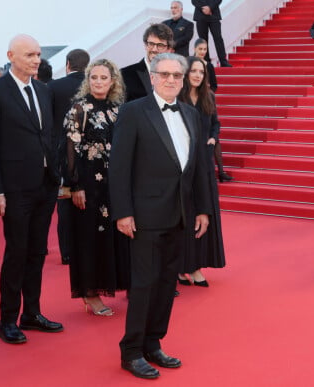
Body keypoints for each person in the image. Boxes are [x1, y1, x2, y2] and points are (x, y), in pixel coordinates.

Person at [109, 53, 210, 379]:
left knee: (167, 284)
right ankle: (132, 350)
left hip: (180, 214)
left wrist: (204, 208)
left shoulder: (191, 114)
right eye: (164, 74)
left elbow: (197, 168)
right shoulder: (133, 112)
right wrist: (123, 212)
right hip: (145, 216)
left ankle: (154, 343)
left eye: (176, 75)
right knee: (143, 285)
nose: (171, 80)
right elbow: (119, 167)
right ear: (152, 77)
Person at [0, 34, 62, 344]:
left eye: (38, 54)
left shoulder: (43, 90)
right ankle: (7, 320)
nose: (36, 59)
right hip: (14, 188)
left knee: (38, 251)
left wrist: (56, 175)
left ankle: (32, 312)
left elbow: (48, 135)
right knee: (17, 251)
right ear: (11, 55)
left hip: (45, 185)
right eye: (29, 54)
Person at [63, 59, 129, 316]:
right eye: (94, 77)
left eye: (103, 78)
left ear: (113, 81)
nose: (98, 82)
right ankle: (90, 293)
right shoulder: (79, 109)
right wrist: (75, 185)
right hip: (89, 185)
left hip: (114, 184)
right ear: (87, 80)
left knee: (112, 235)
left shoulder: (118, 108)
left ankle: (113, 284)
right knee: (89, 237)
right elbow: (70, 149)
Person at [178, 56, 226, 286]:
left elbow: (216, 123)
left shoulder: (209, 96)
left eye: (201, 71)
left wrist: (212, 138)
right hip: (184, 165)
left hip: (205, 164)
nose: (197, 75)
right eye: (194, 71)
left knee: (205, 213)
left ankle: (197, 264)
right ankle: (184, 266)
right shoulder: (178, 97)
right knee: (187, 214)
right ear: (186, 73)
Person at [48, 48, 90, 265]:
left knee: (64, 203)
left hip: (61, 153)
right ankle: (88, 247)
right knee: (90, 200)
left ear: (67, 64)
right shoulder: (94, 85)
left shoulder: (53, 87)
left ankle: (67, 252)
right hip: (91, 153)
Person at [193, 39, 233, 183]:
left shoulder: (209, 65)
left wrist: (207, 91)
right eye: (200, 49)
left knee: (214, 136)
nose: (203, 52)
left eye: (205, 49)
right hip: (193, 102)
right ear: (195, 48)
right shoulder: (188, 63)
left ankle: (221, 171)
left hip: (207, 101)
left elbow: (215, 85)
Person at [121, 23, 173, 102]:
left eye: (160, 45)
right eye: (151, 44)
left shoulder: (175, 77)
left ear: (169, 49)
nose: (154, 49)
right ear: (145, 45)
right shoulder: (125, 74)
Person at [192, 0, 232, 67]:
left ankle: (223, 61)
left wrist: (210, 7)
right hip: (200, 16)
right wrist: (204, 8)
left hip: (214, 15)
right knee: (203, 40)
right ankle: (206, 62)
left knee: (218, 39)